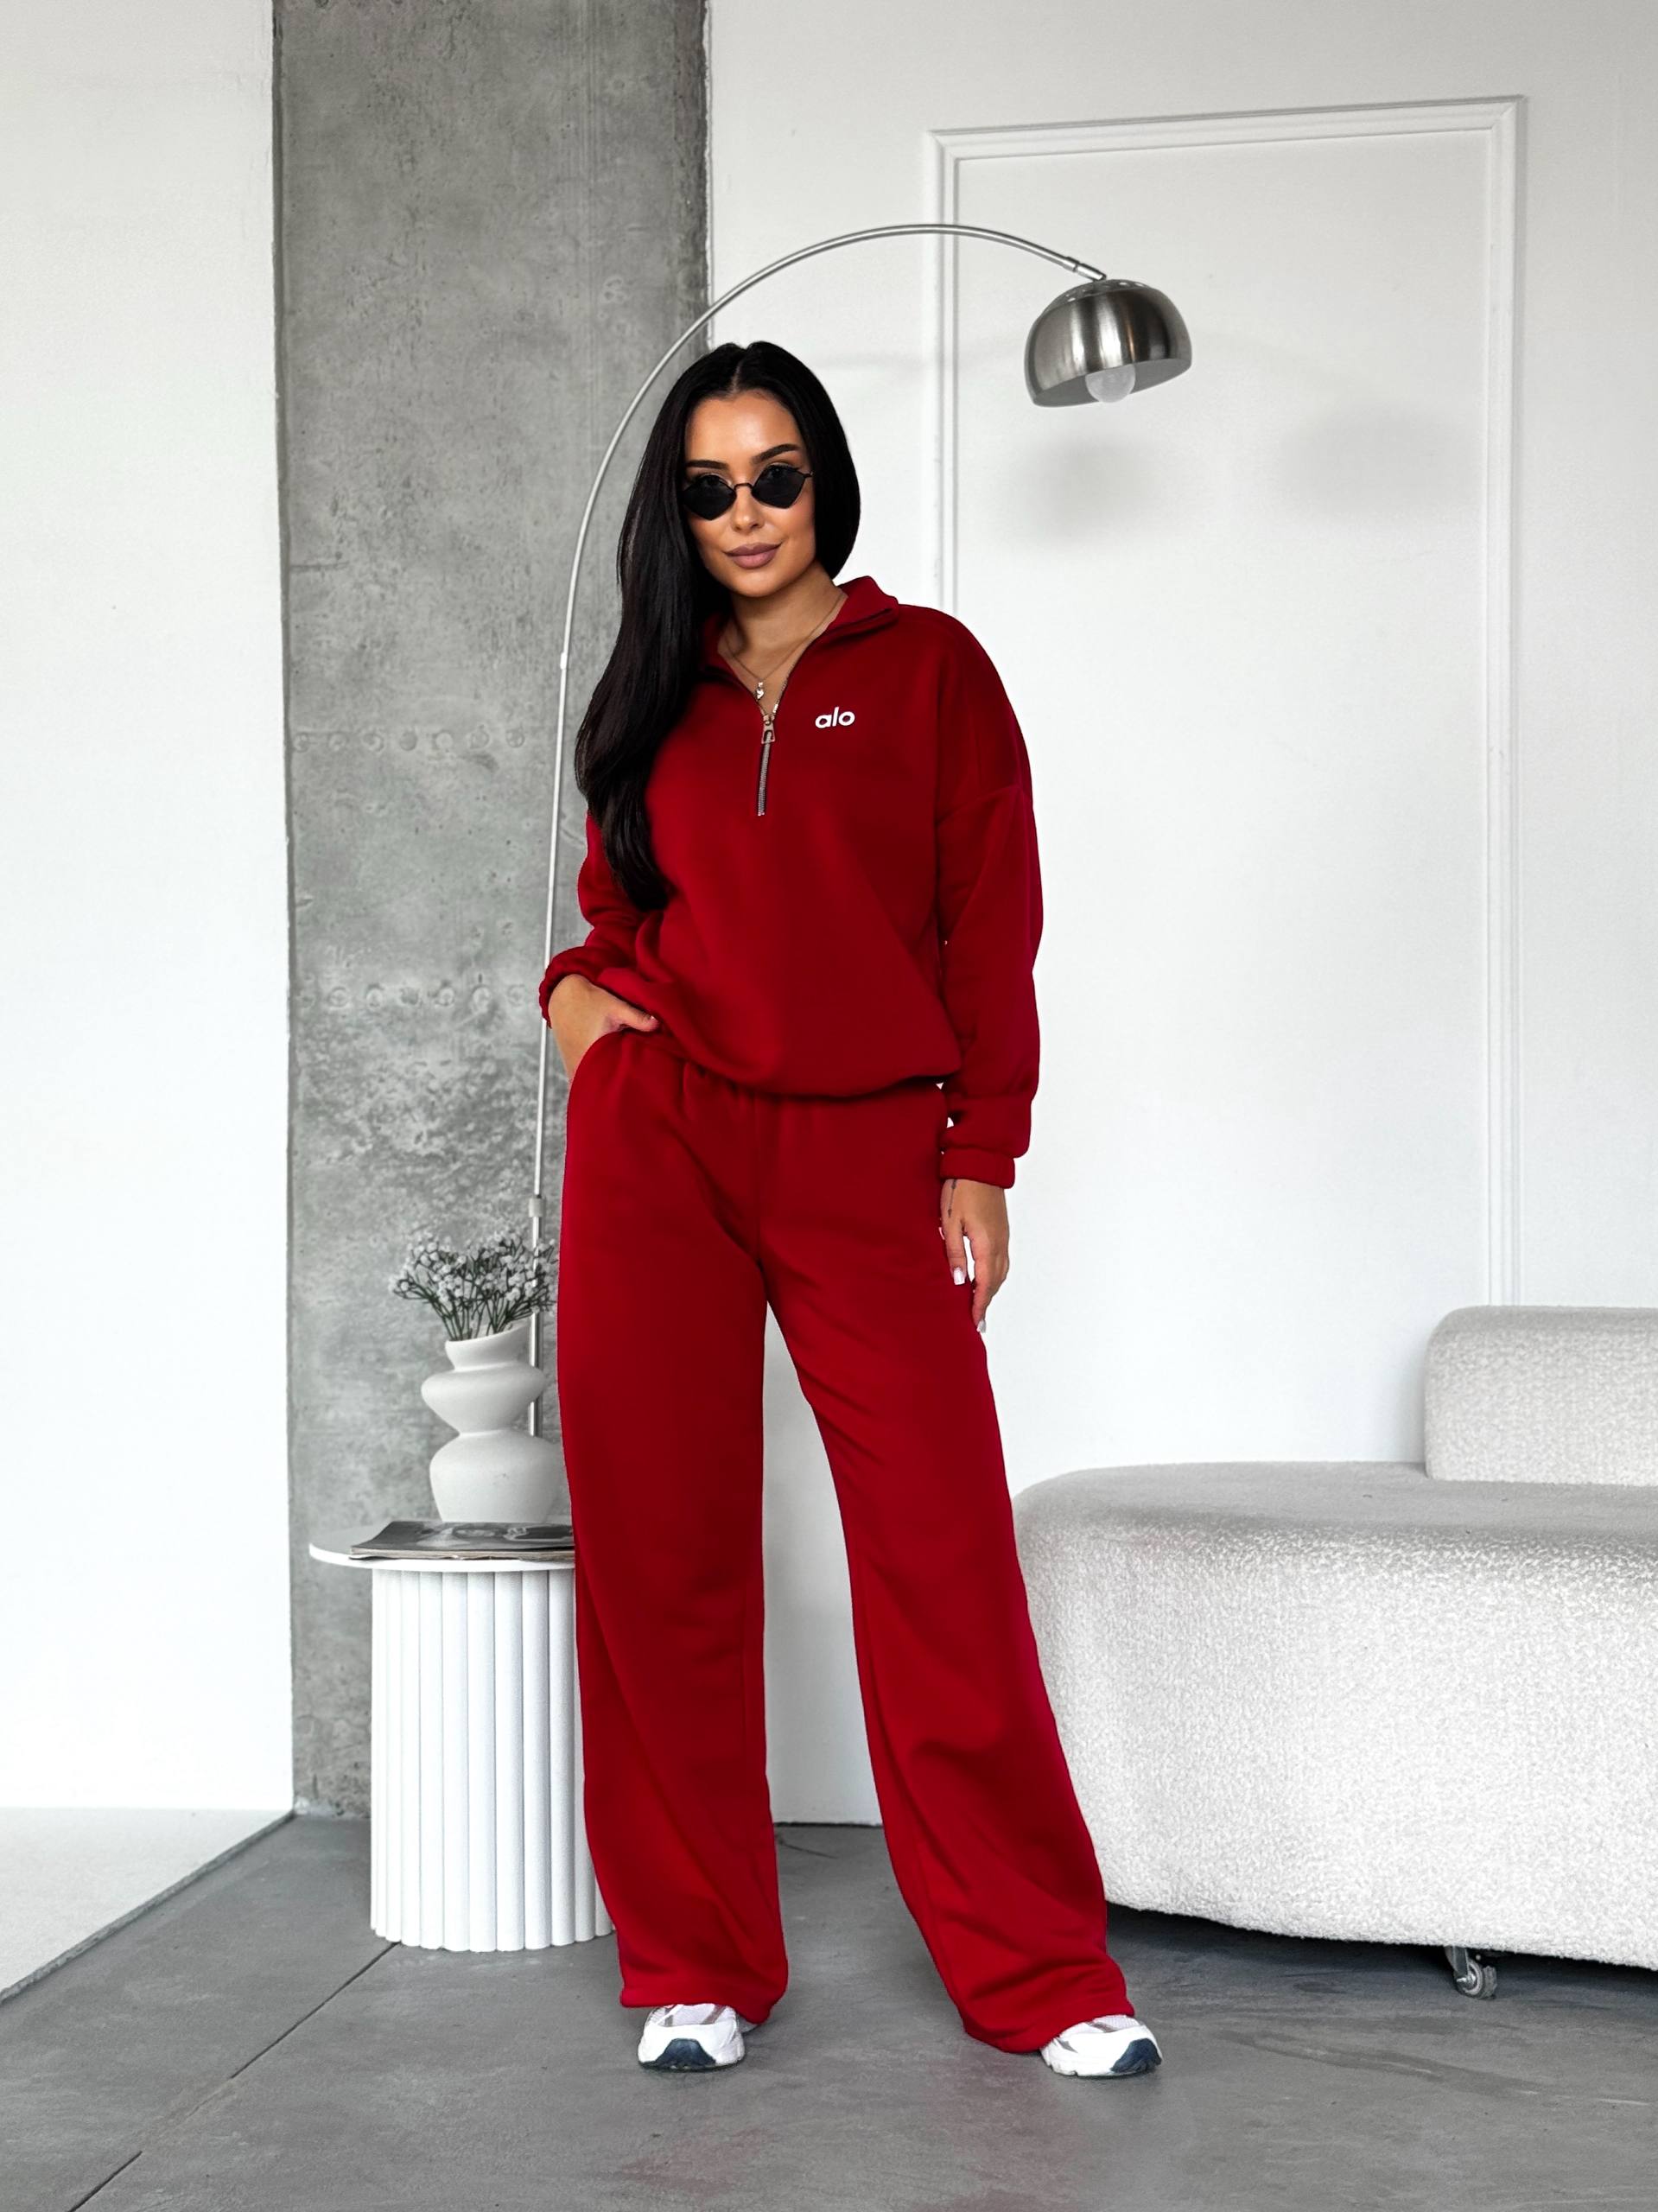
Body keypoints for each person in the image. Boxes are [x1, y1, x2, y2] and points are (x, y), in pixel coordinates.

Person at [540, 338, 1160, 2083]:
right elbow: (612, 914)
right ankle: (695, 1962)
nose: (747, 513)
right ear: (677, 512)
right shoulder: (653, 690)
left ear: (825, 479)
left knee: (939, 1554)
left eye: (776, 476)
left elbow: (990, 924)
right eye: (710, 488)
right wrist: (580, 1014)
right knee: (661, 1551)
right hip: (665, 1135)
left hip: (872, 1148)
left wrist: (983, 1154)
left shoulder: (932, 670)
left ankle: (1041, 1968)